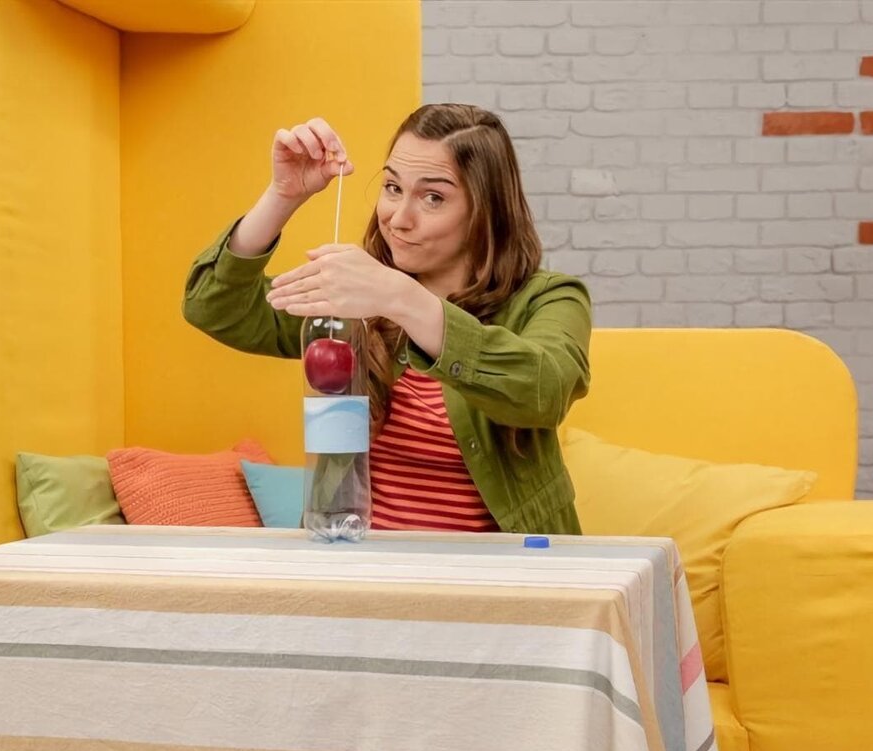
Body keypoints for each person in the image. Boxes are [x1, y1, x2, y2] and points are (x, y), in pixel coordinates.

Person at [183, 103, 592, 535]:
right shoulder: (354, 297)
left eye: (433, 198)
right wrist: (282, 196)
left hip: (498, 570)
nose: (398, 219)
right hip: (357, 565)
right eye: (393, 187)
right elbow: (213, 306)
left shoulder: (549, 298)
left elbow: (544, 390)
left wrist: (401, 298)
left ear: (486, 211)